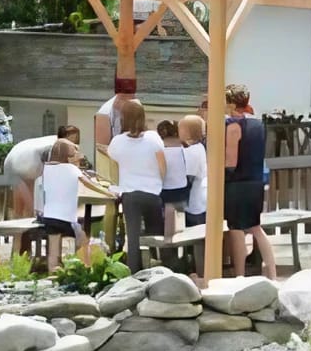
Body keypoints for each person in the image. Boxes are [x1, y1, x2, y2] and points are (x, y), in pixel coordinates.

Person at [222, 83, 276, 280]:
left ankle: (240, 275)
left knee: (236, 229)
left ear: (230, 104)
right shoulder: (258, 124)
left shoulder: (233, 126)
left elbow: (231, 162)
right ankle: (271, 272)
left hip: (238, 183)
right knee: (255, 228)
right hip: (256, 180)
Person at [105, 100, 167, 273]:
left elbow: (111, 161)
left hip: (130, 193)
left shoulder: (117, 142)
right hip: (153, 191)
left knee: (132, 236)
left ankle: (134, 272)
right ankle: (160, 268)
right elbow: (163, 167)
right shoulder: (154, 138)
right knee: (156, 233)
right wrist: (159, 181)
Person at [32, 136, 97, 275]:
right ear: (68, 156)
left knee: (53, 251)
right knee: (84, 241)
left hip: (49, 217)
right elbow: (89, 184)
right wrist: (108, 191)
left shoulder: (46, 169)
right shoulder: (71, 169)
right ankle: (87, 270)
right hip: (67, 219)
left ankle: (52, 274)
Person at [155, 118, 191, 237]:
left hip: (163, 190)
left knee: (163, 220)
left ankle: (165, 241)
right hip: (181, 190)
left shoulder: (158, 151)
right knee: (180, 222)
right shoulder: (185, 150)